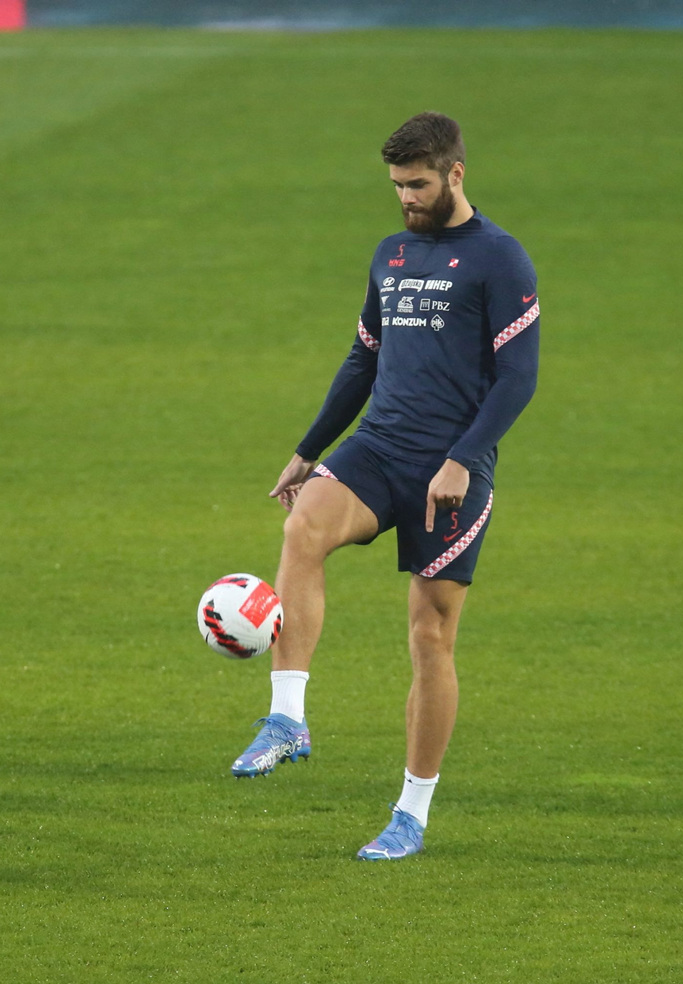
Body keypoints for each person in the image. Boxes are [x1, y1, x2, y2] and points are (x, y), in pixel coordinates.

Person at [230, 113, 539, 860]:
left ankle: (411, 813)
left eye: (418, 184)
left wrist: (463, 457)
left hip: (452, 468)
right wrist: (308, 450)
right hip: (381, 445)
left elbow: (518, 377)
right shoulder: (391, 254)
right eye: (397, 186)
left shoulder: (500, 258)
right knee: (302, 526)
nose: (406, 198)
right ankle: (287, 718)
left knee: (430, 636)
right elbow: (363, 359)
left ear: (455, 174)